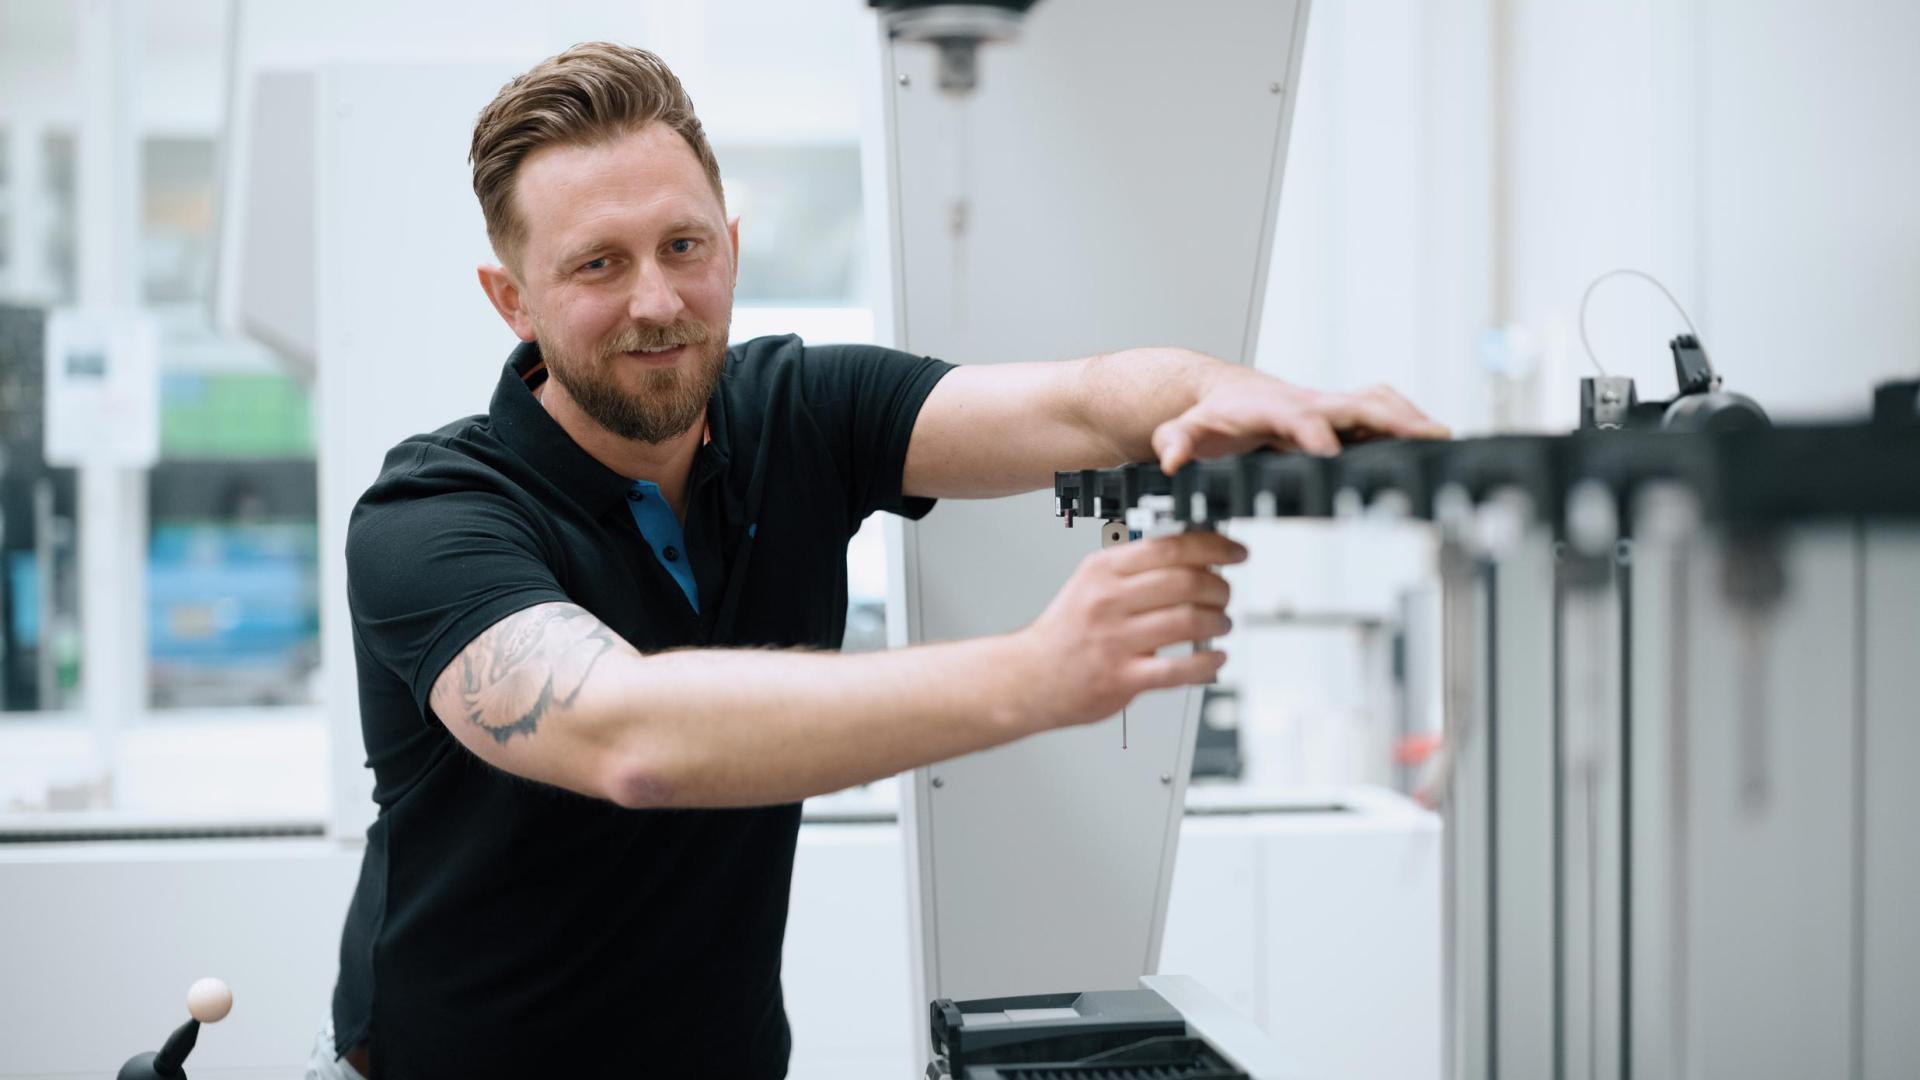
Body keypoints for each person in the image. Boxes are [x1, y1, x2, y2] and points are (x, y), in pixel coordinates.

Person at [312, 41, 1446, 1080]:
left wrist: (1220, 391)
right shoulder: (433, 516)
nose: (656, 300)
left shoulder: (797, 411)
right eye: (598, 265)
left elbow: (1076, 401)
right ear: (511, 299)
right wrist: (1041, 674)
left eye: (684, 247)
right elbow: (628, 735)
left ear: (732, 247)